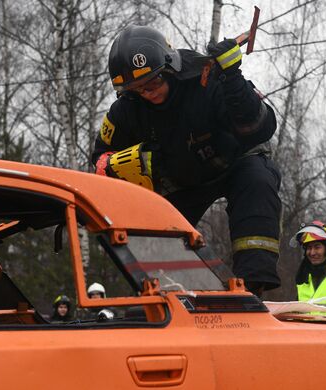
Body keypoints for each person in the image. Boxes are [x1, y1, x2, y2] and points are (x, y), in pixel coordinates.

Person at [92, 25, 282, 296]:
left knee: (258, 180)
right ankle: (170, 293)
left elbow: (258, 127)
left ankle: (252, 286)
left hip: (234, 160)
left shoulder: (208, 77)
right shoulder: (125, 111)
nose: (148, 93)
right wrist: (128, 165)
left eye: (153, 83)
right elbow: (99, 158)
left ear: (170, 68)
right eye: (137, 89)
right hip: (183, 178)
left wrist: (233, 78)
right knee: (154, 226)